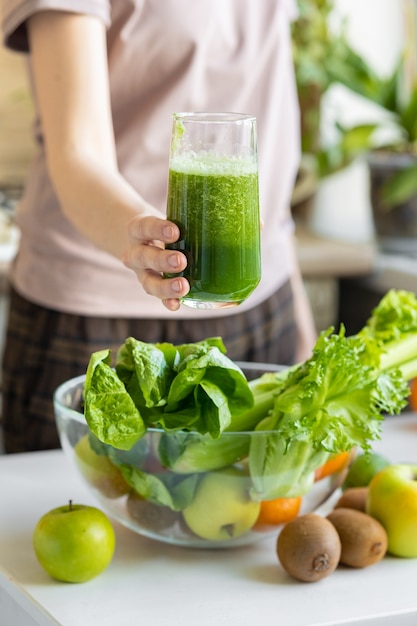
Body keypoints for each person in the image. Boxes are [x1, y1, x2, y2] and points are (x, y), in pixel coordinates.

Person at [1, 0, 316, 454]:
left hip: (262, 306)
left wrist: (298, 315)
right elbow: (77, 152)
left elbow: (266, 120)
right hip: (96, 320)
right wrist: (140, 237)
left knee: (246, 519)